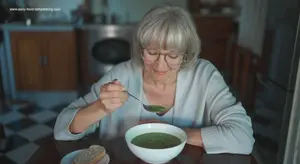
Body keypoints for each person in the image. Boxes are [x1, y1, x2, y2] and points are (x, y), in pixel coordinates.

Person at [54, 5, 255, 154]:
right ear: (141, 48)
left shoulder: (204, 76)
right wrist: (100, 108)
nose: (160, 66)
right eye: (152, 52)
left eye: (172, 56)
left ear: (186, 55)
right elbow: (61, 130)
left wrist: (172, 133)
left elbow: (243, 138)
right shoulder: (122, 74)